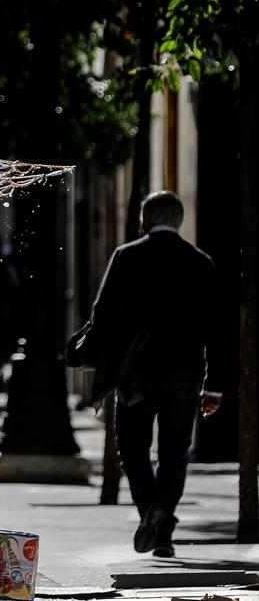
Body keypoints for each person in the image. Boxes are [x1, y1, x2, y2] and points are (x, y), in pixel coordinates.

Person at [85, 191, 223, 558]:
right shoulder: (201, 262)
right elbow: (215, 329)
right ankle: (161, 525)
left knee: (132, 447)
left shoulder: (127, 256)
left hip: (136, 374)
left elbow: (102, 317)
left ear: (145, 218)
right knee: (175, 452)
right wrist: (215, 386)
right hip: (186, 372)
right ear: (178, 220)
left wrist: (101, 364)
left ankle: (152, 513)